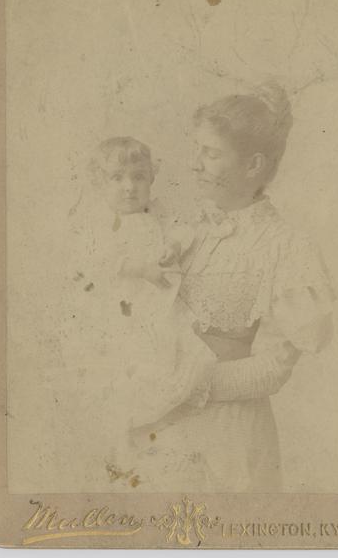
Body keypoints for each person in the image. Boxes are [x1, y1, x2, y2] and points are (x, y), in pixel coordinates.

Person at [151, 83, 335, 492]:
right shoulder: (187, 229)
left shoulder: (285, 246)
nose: (195, 164)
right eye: (196, 149)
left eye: (211, 154)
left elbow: (273, 369)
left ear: (253, 166)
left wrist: (188, 385)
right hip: (162, 427)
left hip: (231, 437)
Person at [54, 136, 216, 490]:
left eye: (139, 177)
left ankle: (151, 448)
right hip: (112, 315)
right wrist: (142, 268)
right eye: (117, 178)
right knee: (118, 381)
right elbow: (92, 260)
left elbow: (184, 230)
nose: (129, 187)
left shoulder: (157, 213)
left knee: (165, 363)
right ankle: (120, 455)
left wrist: (172, 247)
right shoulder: (97, 222)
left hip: (155, 311)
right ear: (100, 182)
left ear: (151, 179)